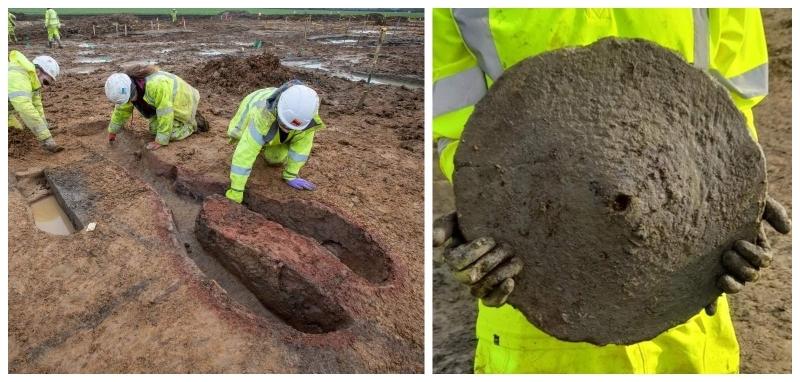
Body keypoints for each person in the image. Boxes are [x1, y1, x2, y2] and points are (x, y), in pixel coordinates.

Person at [433, 8, 791, 373]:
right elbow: (456, 127)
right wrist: (477, 212)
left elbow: (734, 102)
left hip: (685, 296)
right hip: (536, 305)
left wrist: (741, 198)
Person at [225, 80, 324, 203]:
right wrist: (236, 190)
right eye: (284, 124)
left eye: (291, 128)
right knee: (238, 135)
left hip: (282, 115)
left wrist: (291, 175)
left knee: (275, 159)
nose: (287, 129)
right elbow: (245, 153)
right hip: (252, 103)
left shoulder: (307, 118)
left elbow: (301, 150)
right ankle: (252, 139)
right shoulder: (262, 116)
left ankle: (266, 143)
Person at [103, 65, 207, 151]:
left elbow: (165, 113)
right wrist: (113, 130)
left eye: (129, 98)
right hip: (169, 102)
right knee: (154, 128)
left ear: (131, 88)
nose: (129, 101)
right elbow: (121, 110)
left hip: (184, 102)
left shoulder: (156, 86)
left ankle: (193, 125)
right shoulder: (129, 86)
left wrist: (160, 141)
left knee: (170, 133)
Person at [8, 50, 62, 153]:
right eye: (46, 82)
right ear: (38, 71)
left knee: (17, 132)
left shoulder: (33, 81)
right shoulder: (18, 77)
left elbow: (37, 107)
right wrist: (46, 139)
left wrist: (44, 126)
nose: (45, 87)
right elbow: (26, 109)